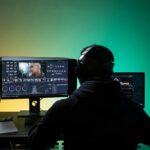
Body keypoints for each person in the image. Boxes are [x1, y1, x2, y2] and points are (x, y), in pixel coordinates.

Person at [28, 44, 150, 150]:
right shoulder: (133, 108)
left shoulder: (64, 107)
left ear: (79, 71)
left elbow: (37, 142)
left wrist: (42, 121)